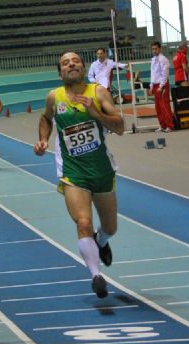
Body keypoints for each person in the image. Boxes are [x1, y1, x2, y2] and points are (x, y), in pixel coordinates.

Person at [34, 51, 124, 299]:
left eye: (75, 61)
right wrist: (42, 140)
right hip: (73, 173)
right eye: (65, 62)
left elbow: (120, 127)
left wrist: (96, 114)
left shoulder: (98, 93)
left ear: (84, 69)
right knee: (82, 222)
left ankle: (101, 241)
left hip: (102, 170)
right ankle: (96, 275)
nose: (71, 64)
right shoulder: (54, 97)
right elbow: (45, 118)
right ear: (60, 72)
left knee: (110, 227)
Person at [148, 41, 174, 132]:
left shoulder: (163, 59)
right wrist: (151, 86)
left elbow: (165, 74)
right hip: (155, 85)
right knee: (158, 107)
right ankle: (162, 125)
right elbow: (153, 74)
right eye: (153, 49)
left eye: (156, 48)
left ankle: (169, 125)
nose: (154, 50)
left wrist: (161, 86)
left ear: (160, 49)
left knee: (164, 106)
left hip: (162, 85)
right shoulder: (153, 59)